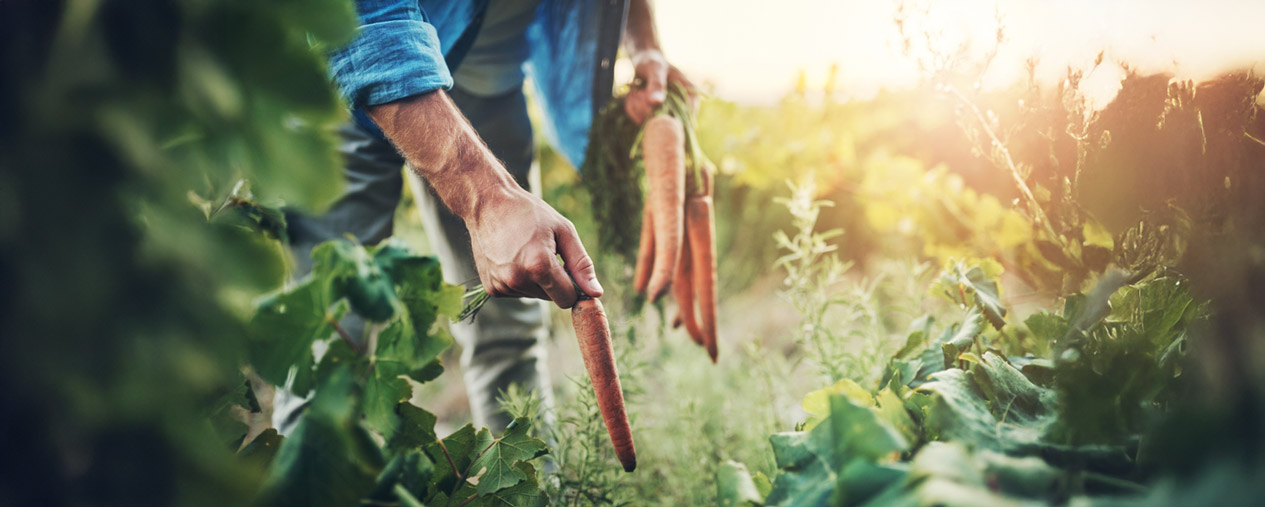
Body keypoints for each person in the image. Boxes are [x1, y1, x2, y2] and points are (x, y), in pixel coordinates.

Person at [273, 0, 693, 434]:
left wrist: (645, 44)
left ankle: (529, 497)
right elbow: (360, 21)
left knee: (510, 333)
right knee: (329, 332)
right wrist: (488, 199)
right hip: (350, 70)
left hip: (491, 86)